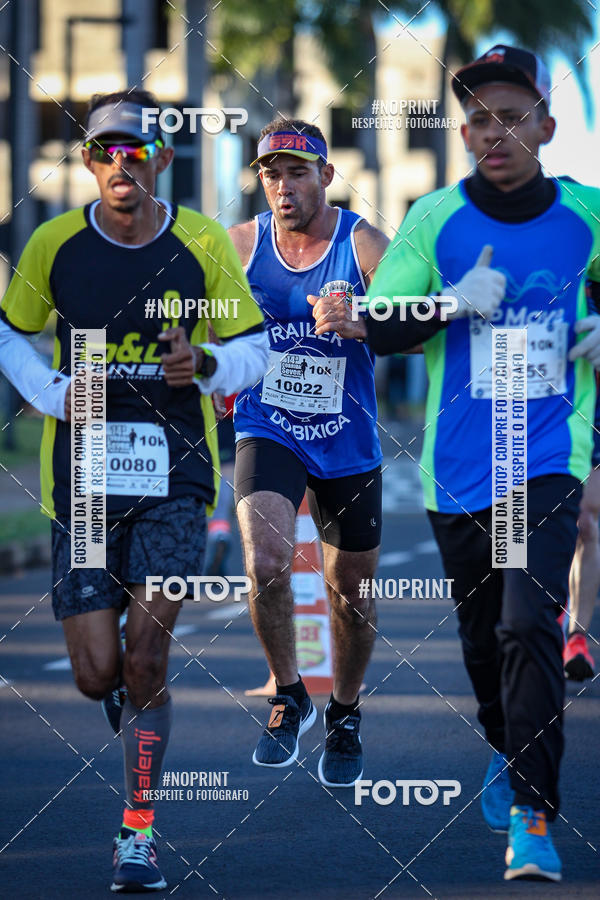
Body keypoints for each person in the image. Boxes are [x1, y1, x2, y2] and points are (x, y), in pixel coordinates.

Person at [309, 45, 600, 880]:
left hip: (541, 453)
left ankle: (534, 818)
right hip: (458, 465)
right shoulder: (436, 219)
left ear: (545, 124)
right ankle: (508, 750)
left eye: (513, 116)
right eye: (478, 118)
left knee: (522, 623)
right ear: (464, 131)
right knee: (484, 648)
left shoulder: (586, 214)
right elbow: (381, 321)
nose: (494, 131)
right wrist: (450, 302)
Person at [0, 89, 267, 892]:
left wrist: (211, 365)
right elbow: (12, 333)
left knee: (147, 657)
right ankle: (122, 697)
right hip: (82, 482)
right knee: (94, 673)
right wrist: (50, 393)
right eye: (105, 151)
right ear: (89, 160)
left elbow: (253, 347)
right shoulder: (54, 244)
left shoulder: (202, 242)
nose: (122, 163)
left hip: (176, 475)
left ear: (159, 158)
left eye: (136, 150)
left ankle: (138, 832)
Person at [228, 119, 389, 786]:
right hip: (269, 426)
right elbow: (212, 320)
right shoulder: (241, 245)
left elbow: (412, 318)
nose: (284, 185)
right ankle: (289, 693)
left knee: (350, 591)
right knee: (266, 561)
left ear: (325, 176)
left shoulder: (364, 242)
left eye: (298, 172)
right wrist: (219, 369)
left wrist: (364, 320)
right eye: (272, 173)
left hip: (348, 439)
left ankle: (345, 712)